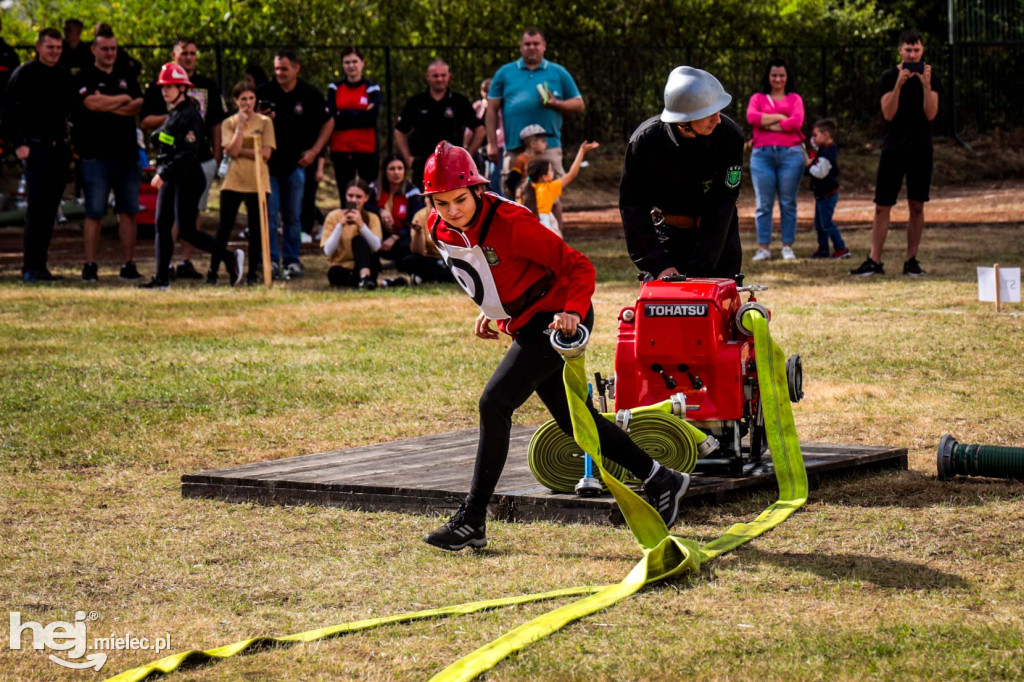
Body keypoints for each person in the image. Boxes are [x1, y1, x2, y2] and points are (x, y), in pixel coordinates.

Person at [420, 141, 691, 551]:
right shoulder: (438, 226)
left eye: (460, 199)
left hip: (556, 318)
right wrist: (494, 310)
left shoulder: (510, 223)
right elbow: (479, 267)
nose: (453, 209)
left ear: (477, 190)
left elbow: (579, 266)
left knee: (494, 403)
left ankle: (473, 519)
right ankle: (661, 477)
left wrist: (573, 313)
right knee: (572, 422)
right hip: (526, 320)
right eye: (441, 202)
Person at [620, 66, 744, 280]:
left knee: (719, 310)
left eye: (719, 111)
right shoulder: (645, 142)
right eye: (709, 114)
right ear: (683, 121)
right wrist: (658, 265)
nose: (718, 120)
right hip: (668, 239)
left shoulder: (729, 136)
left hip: (718, 240)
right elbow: (633, 206)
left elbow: (725, 200)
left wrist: (701, 267)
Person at [141, 62, 242, 290]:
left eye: (170, 86)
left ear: (183, 89)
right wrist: (160, 138)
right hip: (173, 176)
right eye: (163, 86)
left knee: (187, 230)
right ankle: (161, 278)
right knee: (162, 225)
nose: (165, 91)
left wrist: (163, 173)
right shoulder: (175, 113)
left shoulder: (189, 115)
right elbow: (172, 140)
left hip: (186, 178)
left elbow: (188, 152)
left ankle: (229, 257)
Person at [851, 28, 943, 277]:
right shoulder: (888, 77)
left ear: (922, 50)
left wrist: (924, 85)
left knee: (917, 205)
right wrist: (899, 84)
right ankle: (874, 260)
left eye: (917, 49)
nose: (912, 54)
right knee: (882, 205)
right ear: (900, 50)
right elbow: (888, 113)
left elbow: (931, 113)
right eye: (908, 49)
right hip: (894, 147)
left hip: (921, 148)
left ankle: (911, 260)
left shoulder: (931, 77)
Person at [485, 27, 584, 230]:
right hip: (514, 148)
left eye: (536, 43)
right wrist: (492, 144)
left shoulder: (558, 72)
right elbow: (491, 109)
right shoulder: (505, 73)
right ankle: (517, 240)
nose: (532, 48)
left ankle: (557, 241)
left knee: (551, 196)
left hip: (547, 148)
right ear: (521, 47)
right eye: (527, 44)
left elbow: (579, 104)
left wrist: (556, 104)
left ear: (544, 46)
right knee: (513, 195)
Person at [3, 28, 76, 283]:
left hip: (58, 150)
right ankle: (29, 267)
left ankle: (41, 266)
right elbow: (9, 113)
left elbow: (72, 113)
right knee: (36, 210)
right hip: (34, 148)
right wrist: (19, 144)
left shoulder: (64, 76)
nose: (54, 52)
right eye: (50, 48)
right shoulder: (23, 75)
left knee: (49, 210)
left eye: (58, 48)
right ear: (38, 47)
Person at [73, 27, 145, 282]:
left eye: (113, 48)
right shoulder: (84, 75)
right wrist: (121, 101)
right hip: (95, 156)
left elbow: (137, 104)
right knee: (94, 211)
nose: (110, 53)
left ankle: (128, 264)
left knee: (128, 211)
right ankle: (90, 265)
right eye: (105, 48)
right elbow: (91, 104)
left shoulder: (127, 74)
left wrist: (110, 102)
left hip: (126, 155)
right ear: (94, 49)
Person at [257, 48, 334, 280]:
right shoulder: (264, 92)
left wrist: (314, 151)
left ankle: (292, 260)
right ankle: (271, 263)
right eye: (277, 68)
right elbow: (247, 121)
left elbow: (328, 122)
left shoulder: (309, 93)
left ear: (296, 68)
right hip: (269, 166)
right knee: (269, 216)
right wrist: (260, 118)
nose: (279, 73)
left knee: (293, 217)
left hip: (296, 166)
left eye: (284, 68)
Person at [212, 80, 275, 285]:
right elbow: (230, 149)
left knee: (257, 228)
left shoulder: (265, 122)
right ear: (236, 101)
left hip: (258, 180)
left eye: (251, 98)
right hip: (234, 179)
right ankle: (213, 270)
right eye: (243, 99)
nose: (248, 103)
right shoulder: (229, 122)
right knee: (225, 227)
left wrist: (242, 151)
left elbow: (266, 153)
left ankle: (252, 273)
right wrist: (240, 128)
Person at [746, 58, 805, 262]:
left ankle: (787, 246)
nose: (778, 79)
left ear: (787, 77)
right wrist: (781, 118)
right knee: (763, 203)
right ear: (768, 77)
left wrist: (767, 123)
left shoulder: (795, 98)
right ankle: (764, 248)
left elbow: (796, 122)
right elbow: (752, 118)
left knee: (788, 202)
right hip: (762, 155)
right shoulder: (758, 98)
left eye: (781, 75)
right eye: (774, 75)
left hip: (791, 155)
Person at [394, 59, 484, 188]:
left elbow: (480, 129)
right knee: (424, 205)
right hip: (423, 165)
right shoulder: (416, 102)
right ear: (428, 77)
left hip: (454, 166)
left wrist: (468, 154)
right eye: (435, 76)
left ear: (449, 76)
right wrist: (408, 158)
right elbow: (399, 131)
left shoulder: (459, 102)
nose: (440, 79)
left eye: (443, 75)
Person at [520, 141, 599, 237]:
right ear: (544, 177)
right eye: (551, 170)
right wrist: (582, 151)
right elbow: (572, 174)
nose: (553, 172)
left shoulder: (524, 189)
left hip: (527, 227)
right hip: (544, 227)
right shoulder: (548, 188)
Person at [327, 46, 380, 189]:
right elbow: (333, 119)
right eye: (347, 62)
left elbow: (371, 118)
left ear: (362, 63)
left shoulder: (372, 88)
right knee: (346, 194)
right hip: (341, 150)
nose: (351, 66)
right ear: (342, 65)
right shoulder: (334, 88)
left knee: (368, 194)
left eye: (355, 61)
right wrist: (360, 113)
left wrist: (343, 114)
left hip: (367, 149)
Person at [321, 177, 382, 290]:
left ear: (366, 198)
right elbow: (328, 251)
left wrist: (361, 225)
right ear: (345, 196)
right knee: (334, 274)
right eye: (350, 196)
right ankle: (376, 283)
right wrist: (340, 226)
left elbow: (376, 246)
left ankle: (365, 277)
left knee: (358, 240)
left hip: (367, 266)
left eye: (358, 197)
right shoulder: (334, 216)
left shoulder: (372, 217)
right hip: (343, 267)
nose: (354, 200)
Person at [372, 154, 424, 283]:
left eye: (400, 168)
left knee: (410, 244)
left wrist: (395, 237)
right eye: (392, 169)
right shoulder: (374, 189)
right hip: (380, 236)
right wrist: (380, 211)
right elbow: (364, 207)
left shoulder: (412, 192)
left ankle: (399, 263)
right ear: (384, 171)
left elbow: (414, 221)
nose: (396, 173)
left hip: (402, 238)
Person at [805, 119, 848, 260]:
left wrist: (809, 165)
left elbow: (820, 173)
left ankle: (841, 248)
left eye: (816, 135)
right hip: (821, 195)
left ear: (826, 135)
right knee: (820, 224)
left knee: (827, 223)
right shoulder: (823, 149)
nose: (813, 138)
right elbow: (812, 143)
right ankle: (823, 249)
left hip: (827, 195)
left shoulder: (827, 154)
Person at [402, 205, 452, 284]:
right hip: (430, 259)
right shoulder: (420, 215)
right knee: (409, 260)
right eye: (428, 198)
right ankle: (440, 277)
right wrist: (419, 233)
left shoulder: (452, 212)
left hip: (450, 259)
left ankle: (424, 278)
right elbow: (417, 251)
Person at [505, 123, 551, 198]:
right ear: (533, 144)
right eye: (543, 141)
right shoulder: (521, 159)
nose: (546, 144)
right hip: (526, 195)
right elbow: (513, 180)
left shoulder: (539, 160)